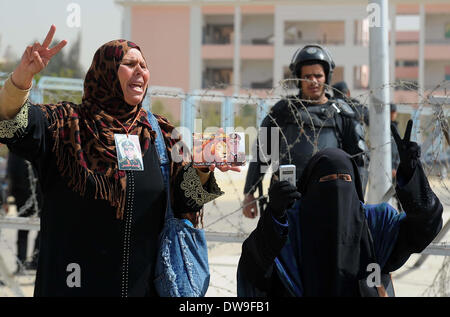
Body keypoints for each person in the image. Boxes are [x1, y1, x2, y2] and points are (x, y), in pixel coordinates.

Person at [0, 25, 238, 297]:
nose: (140, 71)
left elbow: (185, 203)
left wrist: (203, 168)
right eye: (129, 64)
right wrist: (21, 79)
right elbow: (9, 125)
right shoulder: (66, 126)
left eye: (144, 66)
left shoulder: (159, 134)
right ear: (106, 72)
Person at [237, 120, 443, 296]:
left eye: (345, 179)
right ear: (310, 186)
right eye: (327, 180)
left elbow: (425, 226)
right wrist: (274, 215)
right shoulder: (291, 225)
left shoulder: (376, 223)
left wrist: (412, 174)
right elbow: (254, 265)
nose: (336, 188)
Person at [243, 44, 369, 218]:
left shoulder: (343, 115)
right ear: (298, 79)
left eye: (318, 75)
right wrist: (249, 194)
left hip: (331, 201)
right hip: (287, 201)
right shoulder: (282, 112)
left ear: (327, 77)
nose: (313, 81)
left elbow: (359, 161)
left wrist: (357, 200)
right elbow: (261, 155)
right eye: (307, 76)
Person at [7, 151, 42, 274]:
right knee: (35, 228)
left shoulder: (17, 148)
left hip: (27, 194)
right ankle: (31, 261)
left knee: (29, 230)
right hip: (33, 194)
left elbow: (11, 172)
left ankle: (26, 262)